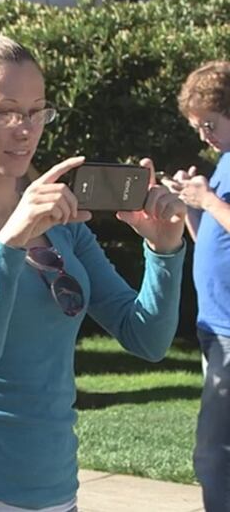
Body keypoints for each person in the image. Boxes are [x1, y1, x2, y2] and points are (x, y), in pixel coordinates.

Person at [0, 34, 187, 512]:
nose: (25, 129)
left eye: (36, 112)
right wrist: (9, 244)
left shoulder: (62, 222)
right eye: (4, 112)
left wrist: (164, 249)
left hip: (55, 490)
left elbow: (147, 339)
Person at [166, 60, 230, 512]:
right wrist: (190, 206)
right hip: (215, 328)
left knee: (213, 456)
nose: (204, 136)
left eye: (211, 124)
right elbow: (211, 237)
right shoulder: (224, 163)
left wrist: (206, 198)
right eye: (198, 128)